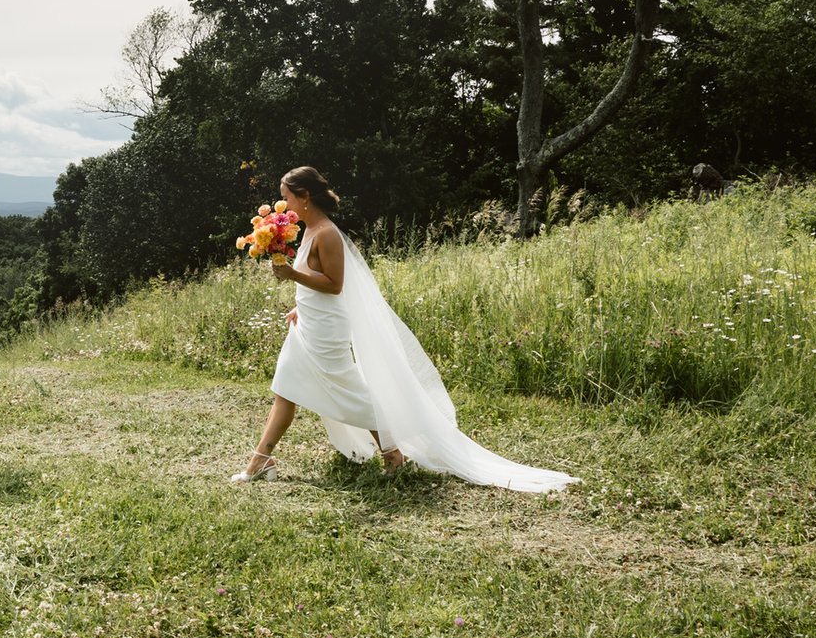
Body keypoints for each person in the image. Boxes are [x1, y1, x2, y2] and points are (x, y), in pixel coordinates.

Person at [234, 168, 571, 495]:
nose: (284, 207)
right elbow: (316, 282)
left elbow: (335, 285)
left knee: (352, 393)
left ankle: (393, 453)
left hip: (326, 331)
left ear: (305, 197)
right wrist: (300, 302)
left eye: (287, 199)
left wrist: (292, 276)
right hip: (308, 323)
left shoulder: (326, 233)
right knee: (285, 389)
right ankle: (261, 461)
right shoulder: (309, 230)